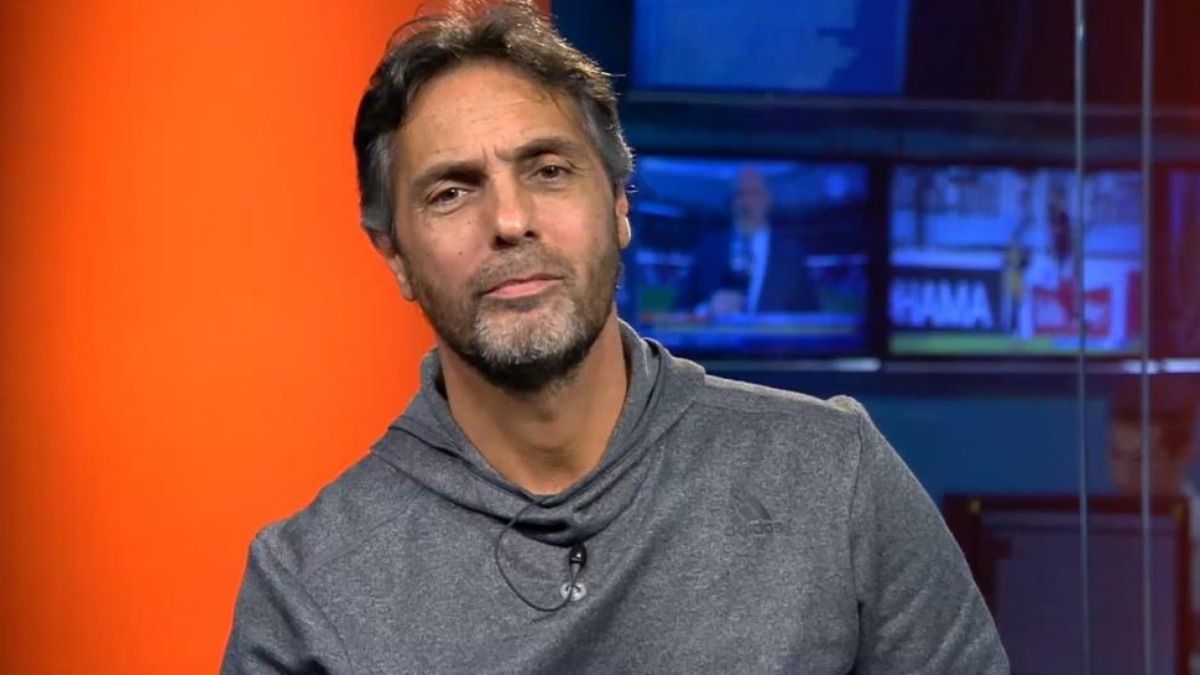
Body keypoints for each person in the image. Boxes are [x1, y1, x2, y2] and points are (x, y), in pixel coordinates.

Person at [221, 2, 1008, 673]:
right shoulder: (309, 585)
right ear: (395, 254)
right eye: (452, 191)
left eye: (549, 170)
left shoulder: (835, 477)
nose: (510, 220)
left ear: (621, 205)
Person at [679, 166, 818, 317]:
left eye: (753, 193)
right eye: (739, 194)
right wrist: (707, 309)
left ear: (768, 199)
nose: (745, 202)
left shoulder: (791, 254)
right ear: (732, 201)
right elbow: (679, 311)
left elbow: (812, 316)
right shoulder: (708, 250)